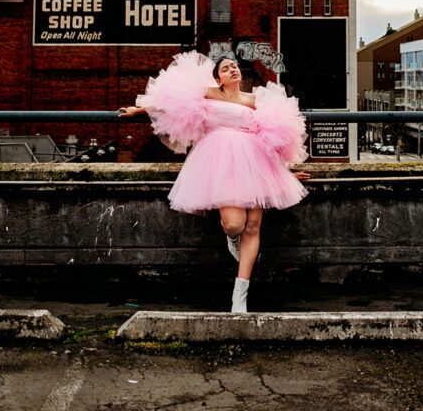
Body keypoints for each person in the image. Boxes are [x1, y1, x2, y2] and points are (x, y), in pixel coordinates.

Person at [120, 52, 309, 314]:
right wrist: (138, 109)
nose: (232, 69)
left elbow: (272, 137)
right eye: (226, 68)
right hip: (220, 160)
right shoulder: (208, 93)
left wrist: (282, 173)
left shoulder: (253, 100)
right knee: (234, 224)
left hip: (254, 161)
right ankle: (232, 238)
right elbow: (171, 102)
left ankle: (239, 295)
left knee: (253, 226)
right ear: (218, 78)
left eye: (234, 66)